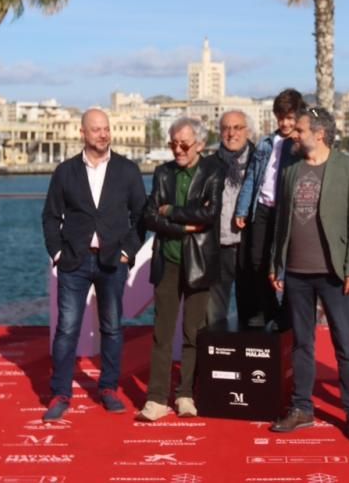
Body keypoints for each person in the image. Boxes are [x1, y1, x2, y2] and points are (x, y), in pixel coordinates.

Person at [41, 108, 147, 422]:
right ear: (83, 133)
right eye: (96, 129)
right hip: (74, 261)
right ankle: (60, 392)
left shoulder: (127, 170)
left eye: (106, 129)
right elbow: (50, 217)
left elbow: (141, 216)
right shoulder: (65, 171)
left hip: (113, 261)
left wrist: (129, 252)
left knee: (112, 328)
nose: (103, 134)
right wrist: (58, 254)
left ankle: (108, 388)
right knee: (67, 329)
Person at [268, 107, 349, 442]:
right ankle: (302, 409)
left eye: (300, 130)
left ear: (319, 133)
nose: (294, 135)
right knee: (301, 345)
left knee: (345, 346)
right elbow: (281, 223)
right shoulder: (291, 171)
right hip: (296, 273)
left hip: (334, 274)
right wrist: (275, 264)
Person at [138, 117, 224, 422]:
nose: (178, 149)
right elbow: (149, 216)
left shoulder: (214, 170)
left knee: (193, 331)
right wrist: (186, 225)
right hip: (168, 260)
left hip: (199, 261)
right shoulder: (162, 173)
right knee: (162, 332)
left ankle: (186, 393)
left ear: (199, 144)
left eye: (184, 144)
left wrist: (172, 211)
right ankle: (157, 398)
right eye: (173, 143)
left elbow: (210, 213)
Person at [234, 88, 305, 328]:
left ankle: (287, 316)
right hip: (262, 208)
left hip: (287, 213)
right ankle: (271, 311)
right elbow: (252, 178)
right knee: (257, 262)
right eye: (281, 118)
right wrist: (242, 209)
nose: (285, 123)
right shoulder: (266, 143)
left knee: (286, 265)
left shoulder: (301, 144)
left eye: (290, 118)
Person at [206, 109, 255, 329]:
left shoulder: (261, 161)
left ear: (248, 132)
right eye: (225, 128)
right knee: (214, 316)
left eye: (237, 127)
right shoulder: (208, 165)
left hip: (250, 248)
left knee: (253, 315)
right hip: (218, 247)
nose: (231, 133)